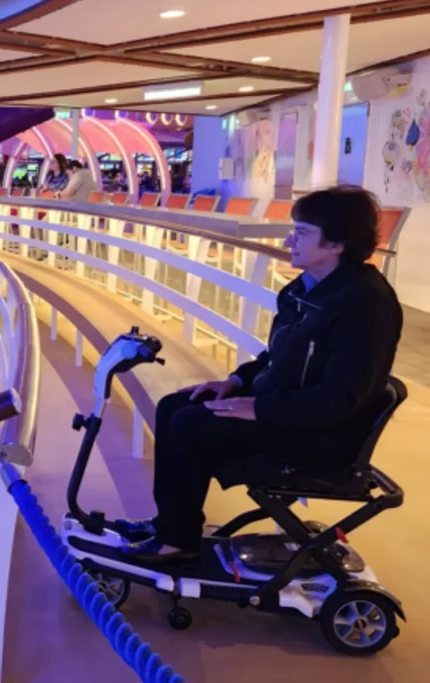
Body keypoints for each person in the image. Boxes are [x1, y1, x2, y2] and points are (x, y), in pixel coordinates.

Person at [116, 186, 402, 566]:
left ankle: (177, 541)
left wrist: (259, 408)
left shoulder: (365, 304)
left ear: (336, 243)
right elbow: (280, 354)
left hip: (324, 434)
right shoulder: (308, 288)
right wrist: (236, 381)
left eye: (301, 232)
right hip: (289, 411)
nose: (289, 240)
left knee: (190, 425)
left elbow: (340, 399)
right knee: (174, 405)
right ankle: (170, 523)